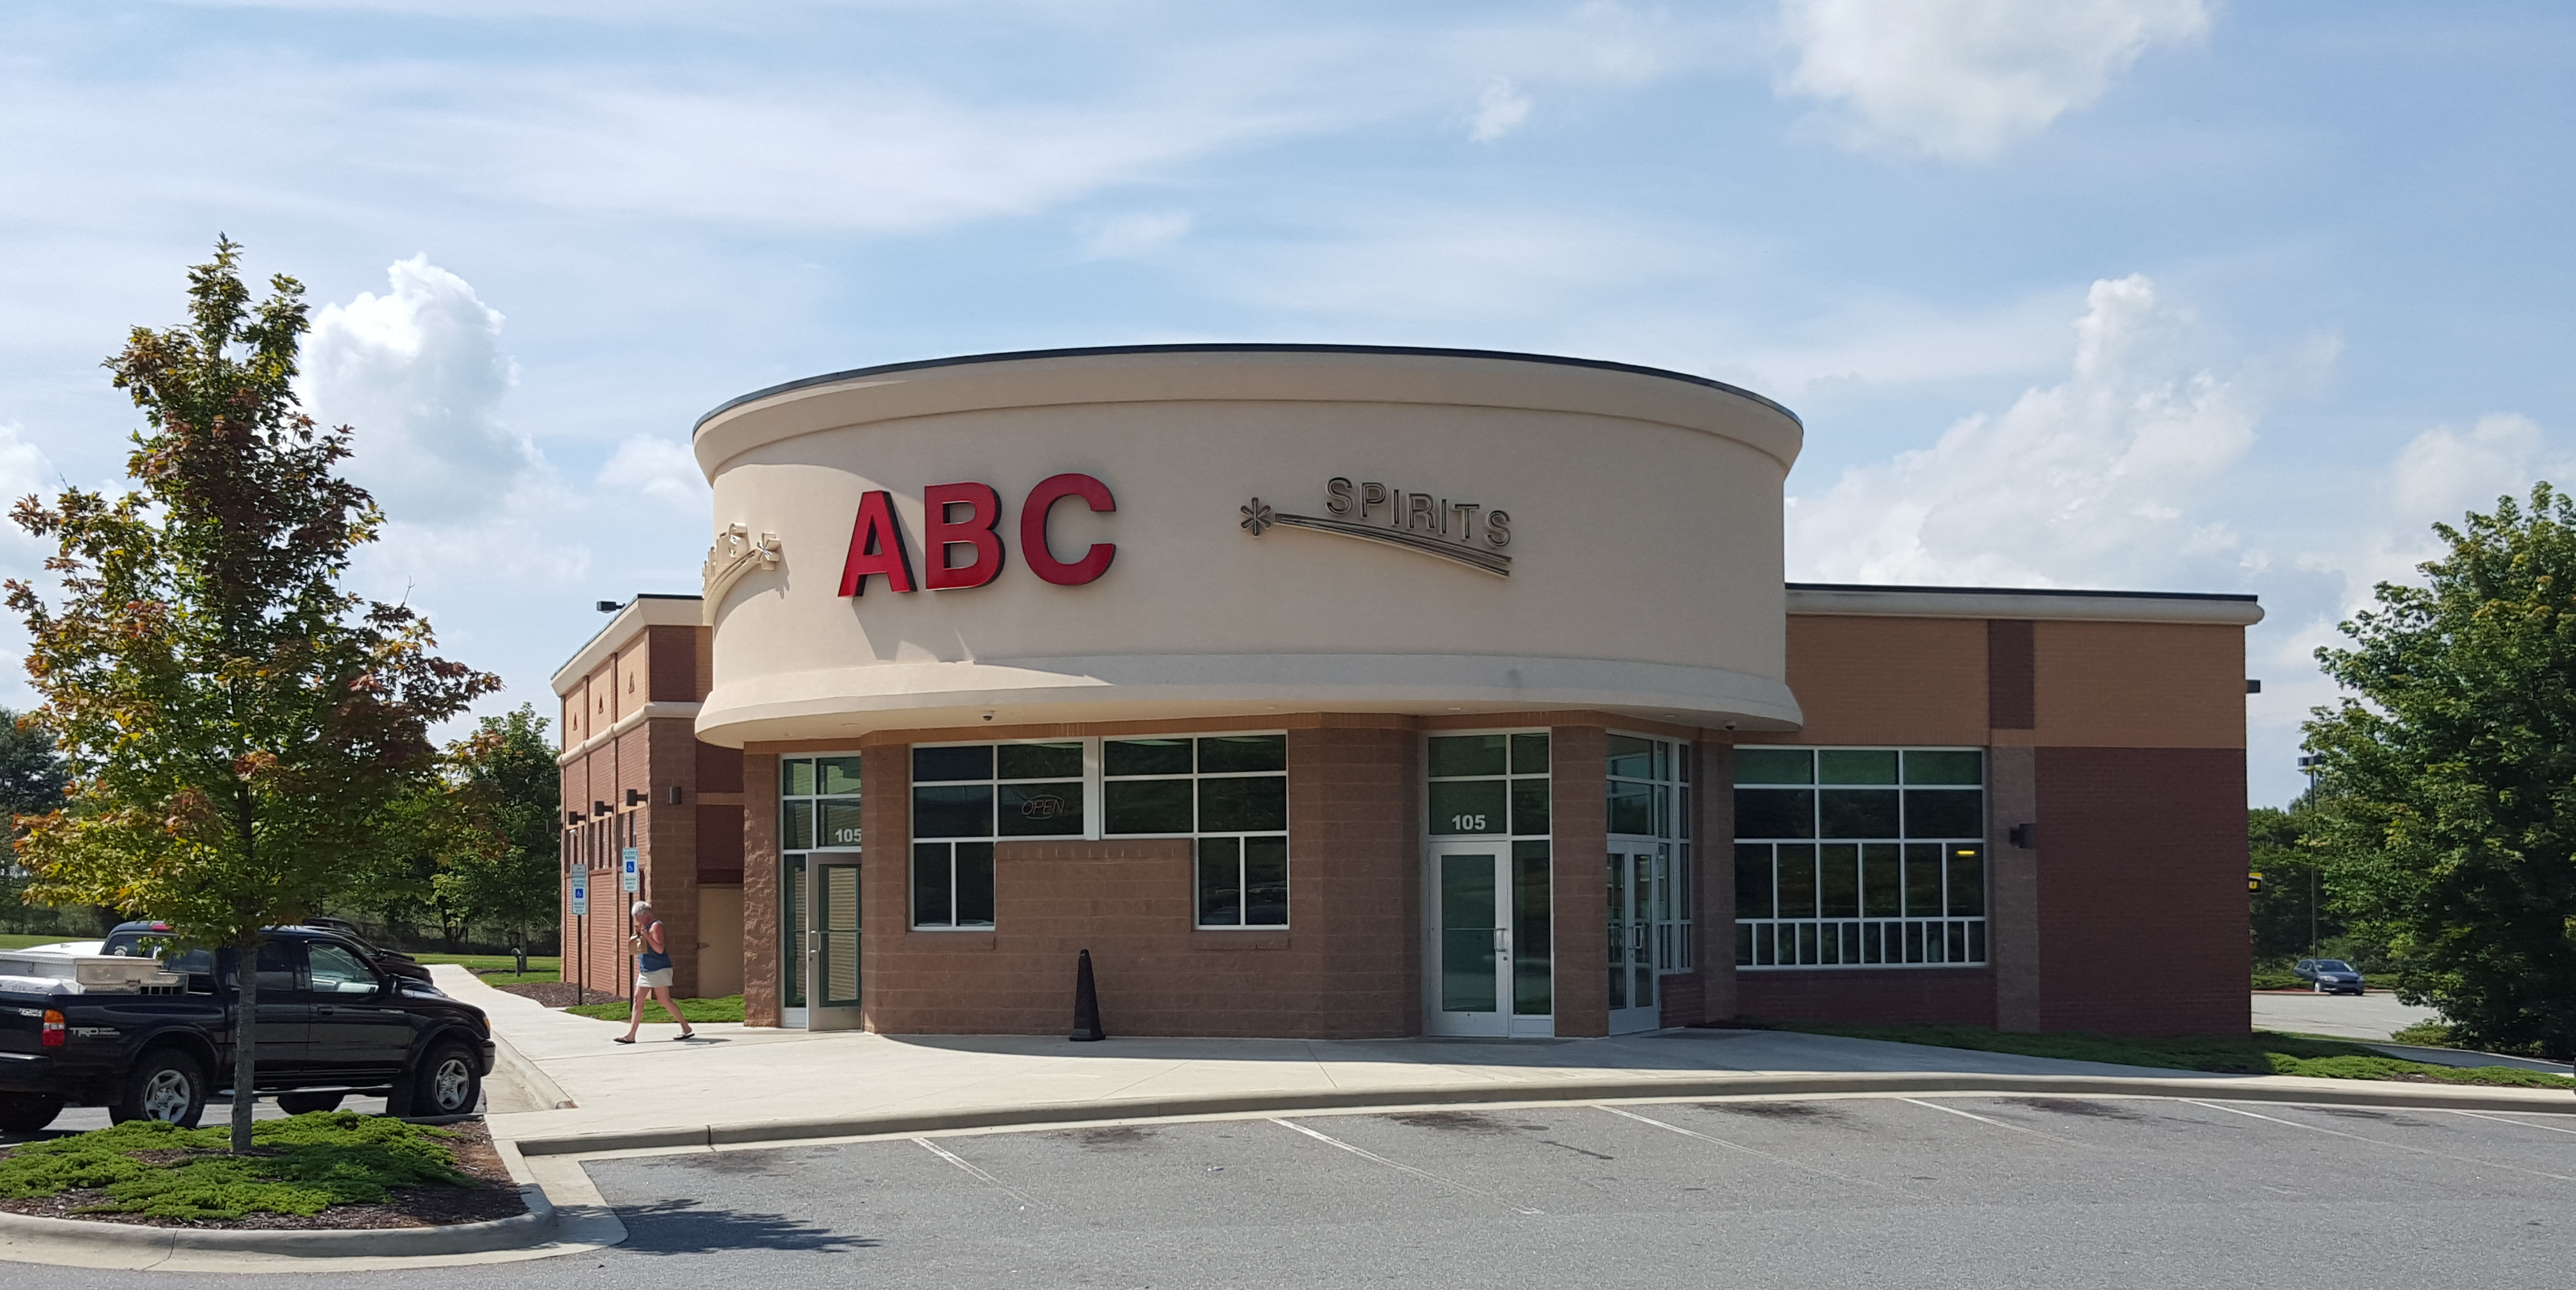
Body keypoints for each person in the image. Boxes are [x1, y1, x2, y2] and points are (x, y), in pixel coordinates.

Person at [617, 900, 696, 1043]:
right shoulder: (645, 928)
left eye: (637, 917)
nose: (636, 920)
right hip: (646, 970)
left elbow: (659, 949)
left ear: (645, 915)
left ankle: (686, 1028)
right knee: (637, 999)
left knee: (664, 1000)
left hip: (659, 969)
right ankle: (631, 1035)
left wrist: (647, 936)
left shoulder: (656, 926)